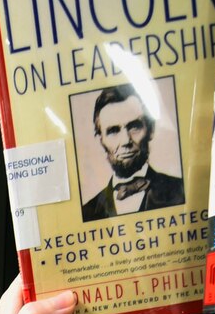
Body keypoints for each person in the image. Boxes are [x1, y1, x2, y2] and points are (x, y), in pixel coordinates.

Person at [79, 83, 185, 221]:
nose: (125, 141)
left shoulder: (181, 191)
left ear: (151, 130)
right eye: (113, 131)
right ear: (101, 140)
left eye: (134, 127)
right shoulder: (87, 212)